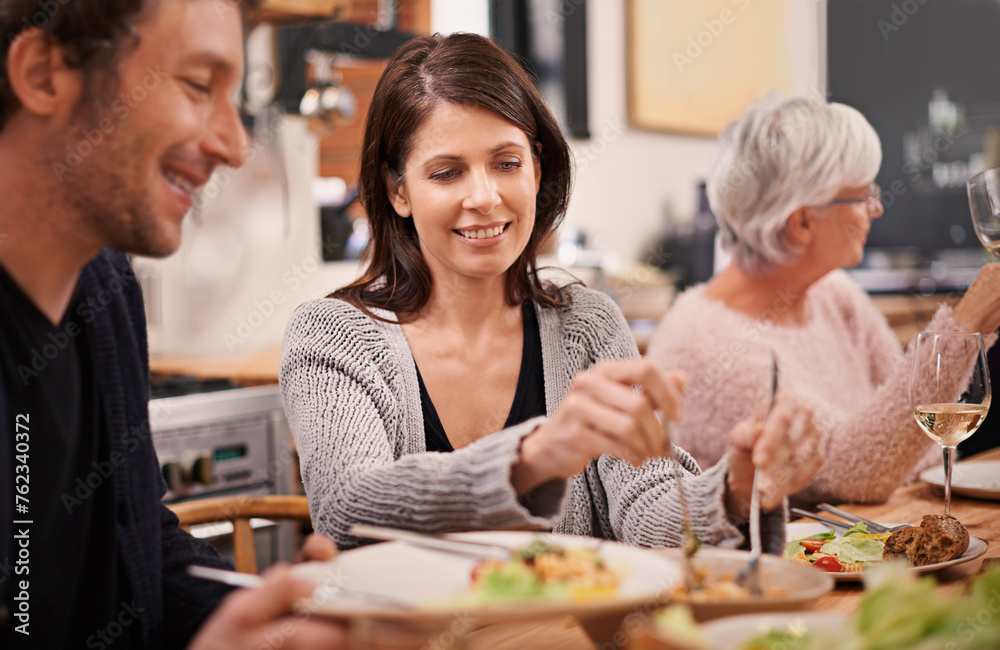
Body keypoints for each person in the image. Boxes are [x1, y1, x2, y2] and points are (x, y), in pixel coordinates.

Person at [280, 33, 823, 556]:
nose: (485, 197)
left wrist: (731, 489)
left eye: (507, 163)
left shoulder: (587, 323)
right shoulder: (332, 336)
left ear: (537, 168)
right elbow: (348, 513)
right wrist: (535, 456)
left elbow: (646, 504)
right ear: (399, 190)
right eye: (447, 173)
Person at [0, 1, 348, 648]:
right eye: (197, 86)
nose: (235, 146)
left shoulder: (104, 288)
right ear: (46, 75)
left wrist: (274, 621)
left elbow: (143, 548)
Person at [647, 96, 1000, 507]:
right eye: (863, 196)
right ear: (801, 222)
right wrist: (965, 325)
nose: (877, 208)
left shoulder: (834, 295)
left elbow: (927, 440)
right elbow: (855, 475)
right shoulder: (705, 344)